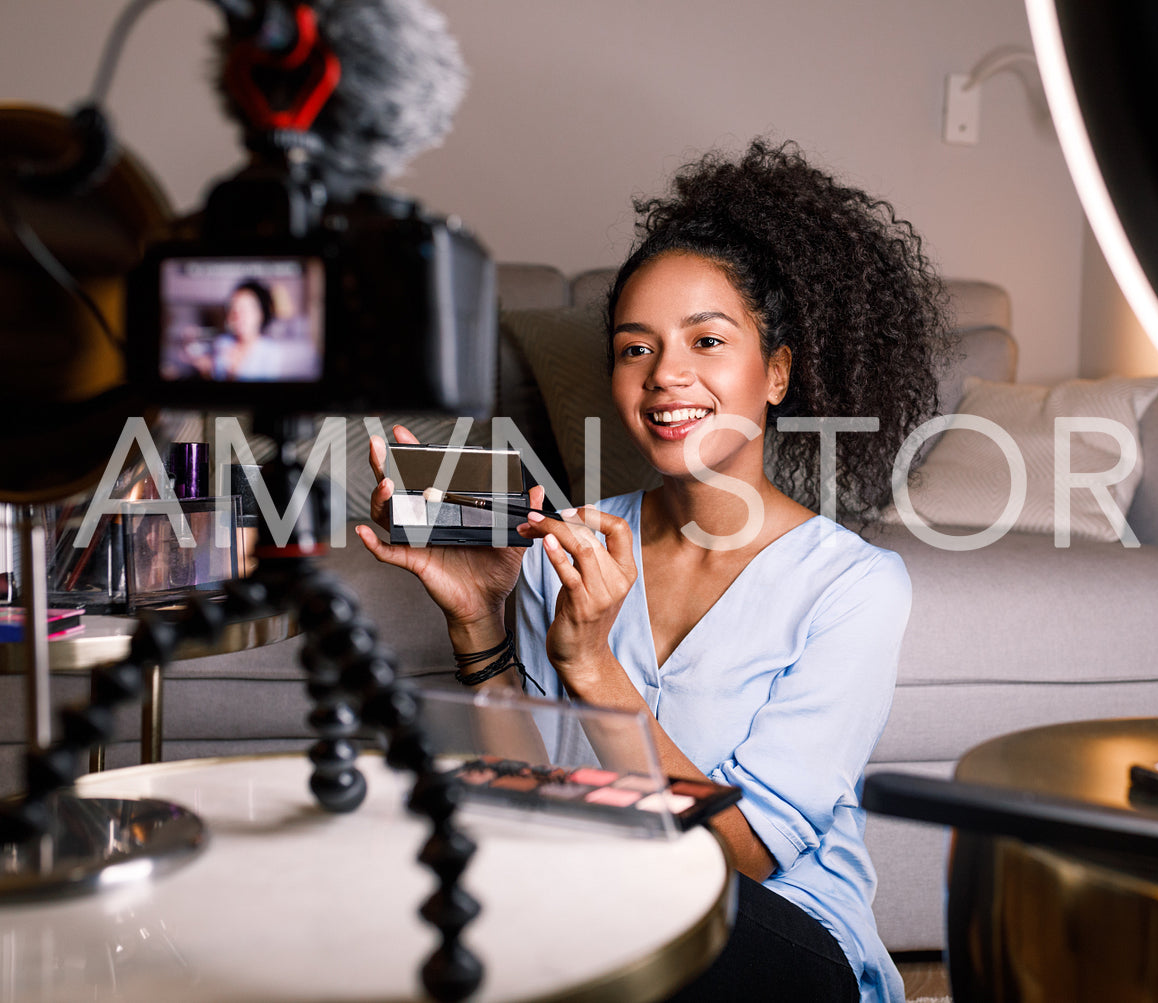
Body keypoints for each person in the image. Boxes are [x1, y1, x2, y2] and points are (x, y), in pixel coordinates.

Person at [358, 138, 950, 1003]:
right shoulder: (568, 552)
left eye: (707, 340)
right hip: (595, 906)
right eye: (635, 349)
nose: (667, 374)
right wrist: (478, 620)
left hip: (776, 932)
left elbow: (742, 850)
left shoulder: (851, 585)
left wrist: (592, 668)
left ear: (776, 371)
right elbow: (534, 804)